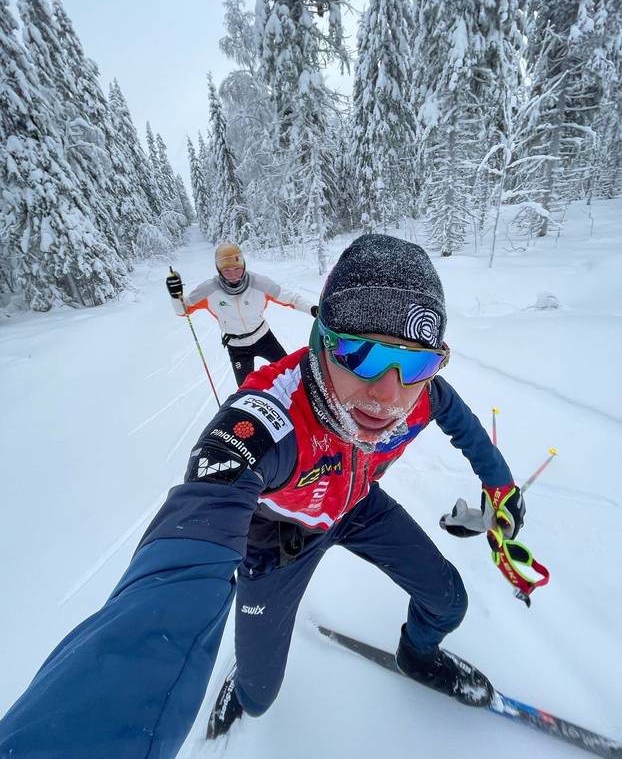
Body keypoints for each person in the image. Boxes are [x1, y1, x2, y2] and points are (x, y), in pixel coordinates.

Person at [0, 235, 525, 758]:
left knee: (449, 599)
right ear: (322, 341)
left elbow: (464, 425)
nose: (388, 395)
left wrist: (500, 487)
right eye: (361, 354)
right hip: (278, 542)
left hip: (356, 506)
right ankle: (246, 687)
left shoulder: (422, 392)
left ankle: (419, 656)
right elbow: (181, 561)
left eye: (413, 363)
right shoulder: (264, 421)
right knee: (259, 693)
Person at [166, 242, 318, 385]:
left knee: (289, 373)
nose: (233, 275)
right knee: (246, 389)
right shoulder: (209, 290)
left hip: (264, 338)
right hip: (237, 347)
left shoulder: (259, 283)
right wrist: (175, 296)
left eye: (237, 268)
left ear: (243, 265)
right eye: (226, 270)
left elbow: (290, 298)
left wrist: (312, 309)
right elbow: (183, 310)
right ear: (219, 270)